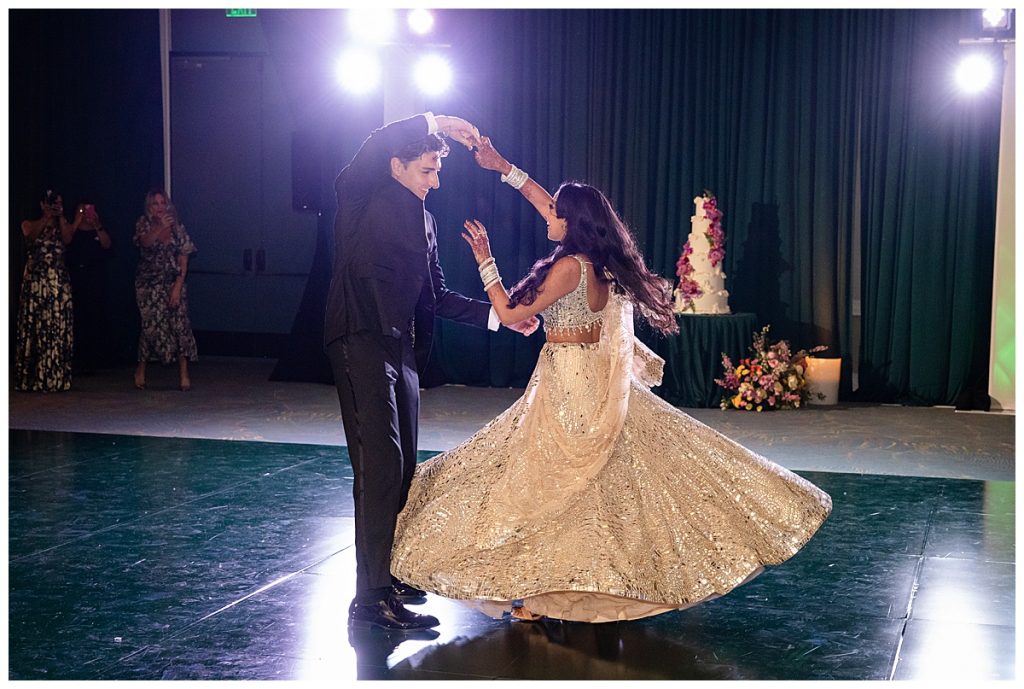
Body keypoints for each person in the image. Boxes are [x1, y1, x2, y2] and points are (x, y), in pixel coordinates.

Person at [390, 138, 833, 623]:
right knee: (584, 488)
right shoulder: (600, 264)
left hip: (570, 387)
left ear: (571, 222)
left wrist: (484, 258)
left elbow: (509, 311)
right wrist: (503, 167)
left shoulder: (568, 267)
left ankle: (539, 589)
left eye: (556, 212)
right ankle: (549, 591)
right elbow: (548, 205)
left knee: (540, 483)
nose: (547, 215)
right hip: (584, 380)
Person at [324, 113, 539, 632]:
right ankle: (369, 599)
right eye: (426, 170)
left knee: (401, 471)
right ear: (394, 166)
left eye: (438, 170)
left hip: (401, 350)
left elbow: (437, 297)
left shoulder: (425, 221)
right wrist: (437, 119)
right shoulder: (359, 197)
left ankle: (390, 577)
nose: (436, 181)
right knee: (380, 468)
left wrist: (501, 317)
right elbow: (374, 141)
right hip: (359, 339)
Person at [133, 190, 198, 391]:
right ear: (149, 207)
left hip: (173, 281)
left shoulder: (178, 228)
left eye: (163, 203)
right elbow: (144, 242)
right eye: (155, 204)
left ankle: (184, 374)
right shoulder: (143, 224)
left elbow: (184, 258)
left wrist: (177, 286)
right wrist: (159, 227)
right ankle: (141, 369)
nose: (160, 207)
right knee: (151, 326)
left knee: (180, 325)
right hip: (149, 284)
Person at [14, 190, 74, 392]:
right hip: (36, 282)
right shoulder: (29, 223)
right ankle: (32, 376)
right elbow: (30, 236)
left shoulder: (61, 224)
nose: (55, 205)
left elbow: (68, 239)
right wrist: (46, 217)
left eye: (59, 202)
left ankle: (55, 376)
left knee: (55, 327)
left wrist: (61, 216)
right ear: (41, 204)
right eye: (52, 202)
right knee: (36, 326)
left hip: (57, 282)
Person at [65, 200, 112, 374]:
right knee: (77, 319)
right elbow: (66, 241)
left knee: (95, 318)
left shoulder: (98, 229)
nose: (85, 214)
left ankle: (95, 360)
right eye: (82, 211)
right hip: (75, 279)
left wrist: (97, 225)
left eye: (88, 210)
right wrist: (77, 222)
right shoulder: (71, 230)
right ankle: (76, 360)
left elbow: (107, 245)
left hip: (95, 280)